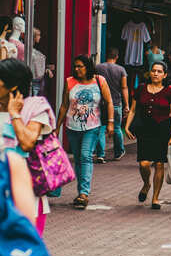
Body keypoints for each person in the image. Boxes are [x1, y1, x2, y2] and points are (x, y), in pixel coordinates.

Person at [0, 59, 56, 235]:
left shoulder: (35, 107)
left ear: (12, 84)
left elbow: (27, 143)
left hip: (24, 195)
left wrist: (15, 114)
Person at [55, 55, 114, 209]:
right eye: (75, 66)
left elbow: (109, 102)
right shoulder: (69, 82)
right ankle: (80, 191)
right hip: (72, 127)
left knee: (85, 156)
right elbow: (64, 105)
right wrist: (57, 127)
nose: (77, 69)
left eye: (80, 66)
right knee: (78, 158)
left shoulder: (99, 81)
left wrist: (111, 123)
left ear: (88, 67)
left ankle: (84, 193)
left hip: (92, 127)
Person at [125, 60, 171, 210]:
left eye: (159, 71)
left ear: (165, 75)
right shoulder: (141, 88)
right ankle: (146, 184)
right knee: (144, 163)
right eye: (154, 70)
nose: (156, 73)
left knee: (160, 164)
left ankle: (155, 198)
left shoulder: (169, 92)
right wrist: (127, 127)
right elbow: (133, 110)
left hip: (162, 130)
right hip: (145, 129)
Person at [95, 47, 129, 161]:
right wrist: (127, 105)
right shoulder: (121, 70)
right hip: (115, 103)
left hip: (100, 103)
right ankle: (118, 152)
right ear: (116, 57)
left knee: (100, 128)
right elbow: (124, 87)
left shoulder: (98, 67)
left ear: (106, 56)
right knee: (117, 128)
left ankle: (100, 154)